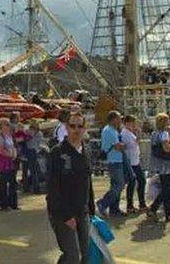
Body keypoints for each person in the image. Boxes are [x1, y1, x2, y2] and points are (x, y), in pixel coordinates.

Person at [48, 112, 95, 264]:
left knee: (85, 254)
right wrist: (67, 215)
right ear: (67, 127)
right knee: (72, 256)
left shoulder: (87, 151)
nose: (76, 129)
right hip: (62, 211)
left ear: (84, 128)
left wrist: (91, 209)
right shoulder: (58, 152)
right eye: (72, 126)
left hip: (82, 211)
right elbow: (53, 187)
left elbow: (88, 181)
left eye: (80, 126)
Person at [147, 113, 170, 222]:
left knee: (165, 188)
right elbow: (166, 149)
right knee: (167, 188)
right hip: (166, 163)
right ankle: (166, 213)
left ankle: (154, 209)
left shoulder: (155, 133)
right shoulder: (164, 133)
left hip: (158, 162)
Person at [96, 111, 126, 217]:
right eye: (118, 118)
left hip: (116, 159)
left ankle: (114, 209)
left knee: (115, 185)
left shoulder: (113, 130)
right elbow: (118, 146)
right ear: (113, 119)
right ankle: (103, 203)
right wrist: (124, 145)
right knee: (120, 184)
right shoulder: (109, 130)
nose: (120, 120)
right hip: (114, 160)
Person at [120, 115, 145, 213]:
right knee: (135, 182)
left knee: (138, 181)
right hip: (131, 161)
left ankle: (139, 203)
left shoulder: (129, 133)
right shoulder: (125, 133)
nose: (134, 125)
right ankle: (132, 205)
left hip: (135, 160)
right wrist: (138, 135)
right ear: (126, 123)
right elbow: (132, 145)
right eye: (132, 123)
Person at [0, 117, 19, 211]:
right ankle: (4, 205)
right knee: (3, 184)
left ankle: (13, 204)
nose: (9, 126)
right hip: (3, 163)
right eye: (7, 125)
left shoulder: (9, 136)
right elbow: (0, 150)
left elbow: (13, 146)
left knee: (12, 182)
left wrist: (14, 154)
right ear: (2, 126)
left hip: (11, 162)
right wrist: (10, 155)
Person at [25, 119, 45, 194]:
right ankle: (36, 188)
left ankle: (35, 189)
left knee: (33, 171)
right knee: (35, 170)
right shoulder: (40, 133)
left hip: (30, 151)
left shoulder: (30, 131)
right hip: (36, 151)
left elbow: (27, 139)